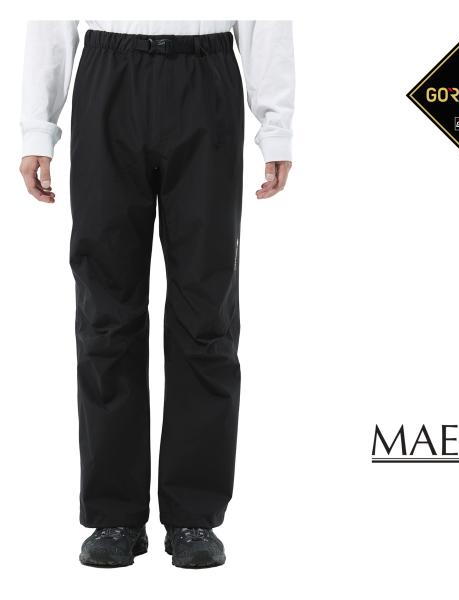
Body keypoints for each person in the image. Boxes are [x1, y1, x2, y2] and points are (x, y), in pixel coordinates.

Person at [19, 20, 294, 569]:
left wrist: (276, 127)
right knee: (105, 310)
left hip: (207, 75)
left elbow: (265, 17)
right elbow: (49, 16)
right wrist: (37, 130)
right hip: (108, 73)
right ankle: (114, 516)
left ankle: (194, 514)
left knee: (206, 310)